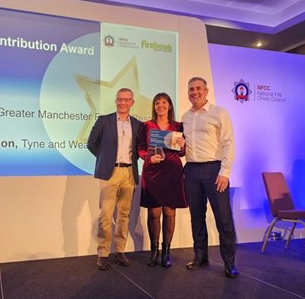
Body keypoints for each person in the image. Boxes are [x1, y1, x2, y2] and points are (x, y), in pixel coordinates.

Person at [182, 77, 238, 278]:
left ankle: (229, 263)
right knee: (197, 217)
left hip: (215, 171)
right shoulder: (185, 117)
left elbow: (229, 143)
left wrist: (225, 172)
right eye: (191, 89)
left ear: (206, 91)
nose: (194, 92)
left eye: (198, 88)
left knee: (223, 219)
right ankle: (200, 257)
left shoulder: (219, 112)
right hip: (191, 171)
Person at [87, 88, 142, 271]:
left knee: (124, 215)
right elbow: (91, 143)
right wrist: (105, 159)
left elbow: (140, 149)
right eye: (120, 99)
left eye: (127, 100)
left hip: (129, 174)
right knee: (106, 214)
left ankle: (120, 250)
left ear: (132, 102)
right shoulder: (104, 120)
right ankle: (103, 253)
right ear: (116, 101)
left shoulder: (137, 124)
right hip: (110, 173)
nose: (123, 102)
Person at [138, 93, 187, 267]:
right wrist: (148, 158)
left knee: (169, 212)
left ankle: (166, 252)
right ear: (154, 106)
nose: (160, 105)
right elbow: (141, 149)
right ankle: (154, 252)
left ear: (169, 106)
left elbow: (181, 152)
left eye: (164, 102)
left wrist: (182, 146)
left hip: (172, 171)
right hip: (153, 172)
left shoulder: (178, 125)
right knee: (154, 213)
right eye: (157, 102)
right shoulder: (147, 125)